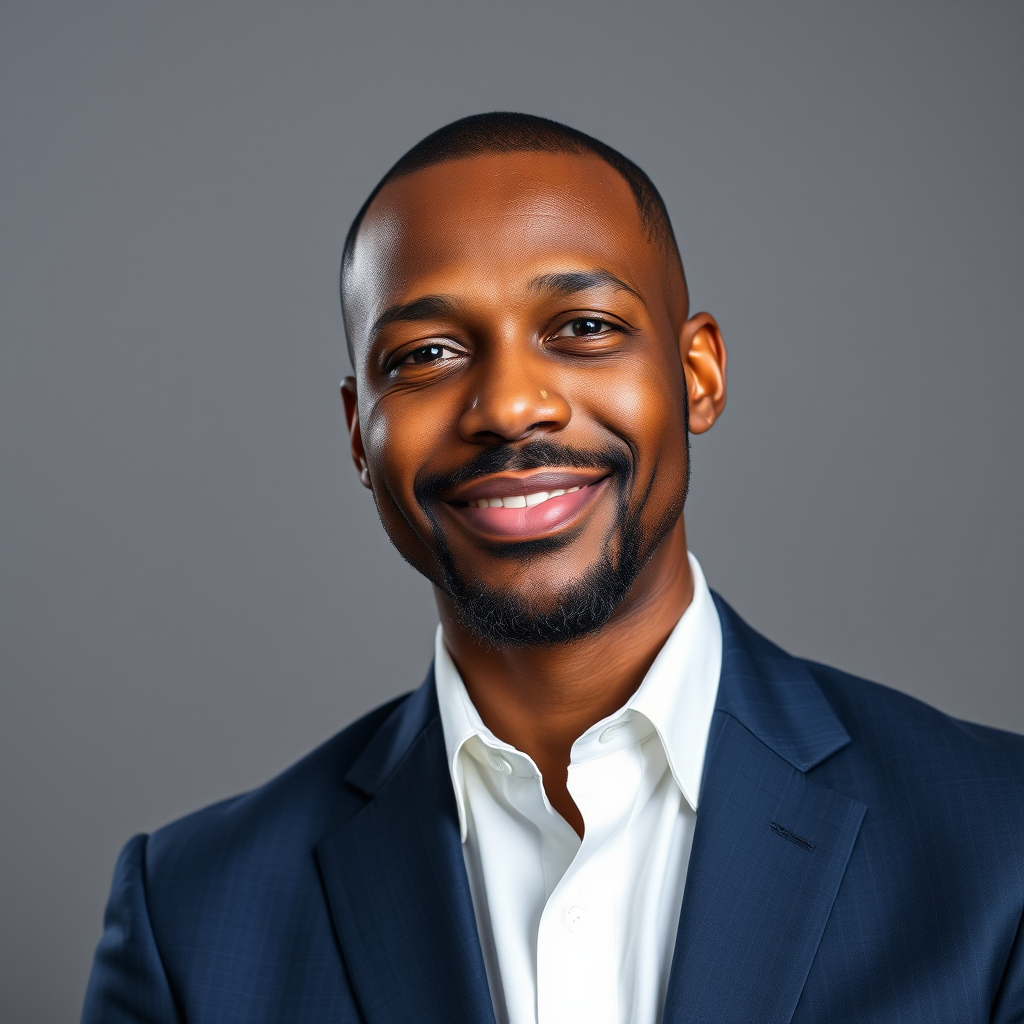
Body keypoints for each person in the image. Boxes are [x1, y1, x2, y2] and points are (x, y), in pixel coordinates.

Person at [82, 112, 1024, 1024]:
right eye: (427, 354)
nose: (509, 405)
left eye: (582, 328)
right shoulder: (191, 921)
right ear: (357, 437)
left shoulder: (1000, 844)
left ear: (698, 376)